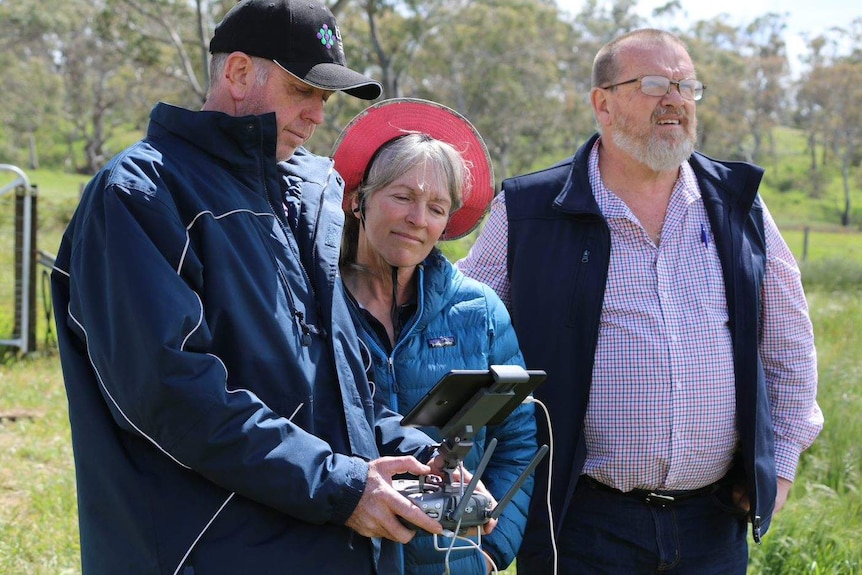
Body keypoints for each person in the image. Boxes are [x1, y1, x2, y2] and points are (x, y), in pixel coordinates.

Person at [50, 2, 461, 573]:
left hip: (331, 547)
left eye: (326, 98)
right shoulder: (141, 194)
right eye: (303, 90)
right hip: (206, 551)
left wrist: (421, 459)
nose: (318, 115)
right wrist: (340, 487)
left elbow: (344, 385)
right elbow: (172, 395)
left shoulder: (311, 196)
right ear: (239, 72)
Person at [457, 28, 824, 574]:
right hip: (579, 521)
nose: (676, 98)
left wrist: (783, 467)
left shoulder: (739, 205)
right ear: (602, 104)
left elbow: (790, 346)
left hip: (713, 525)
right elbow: (461, 333)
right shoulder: (531, 210)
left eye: (687, 86)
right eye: (655, 84)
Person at [331, 98, 538, 574]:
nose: (418, 219)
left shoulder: (478, 310)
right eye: (402, 197)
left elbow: (517, 438)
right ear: (358, 198)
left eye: (436, 207)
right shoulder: (314, 302)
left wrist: (490, 549)